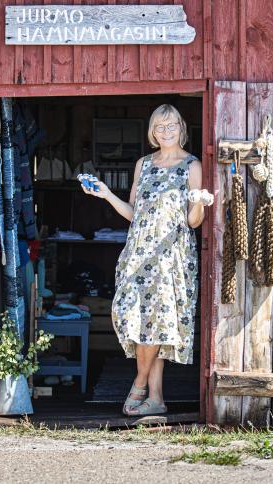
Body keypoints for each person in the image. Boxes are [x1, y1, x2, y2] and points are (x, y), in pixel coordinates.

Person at [81, 104, 212, 416]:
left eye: (171, 126)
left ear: (181, 127)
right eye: (159, 127)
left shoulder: (192, 167)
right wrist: (106, 194)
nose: (166, 132)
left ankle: (145, 390)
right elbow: (133, 213)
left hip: (171, 257)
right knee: (133, 318)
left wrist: (198, 203)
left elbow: (193, 221)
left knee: (158, 325)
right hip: (138, 253)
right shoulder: (143, 165)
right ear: (152, 132)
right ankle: (153, 395)